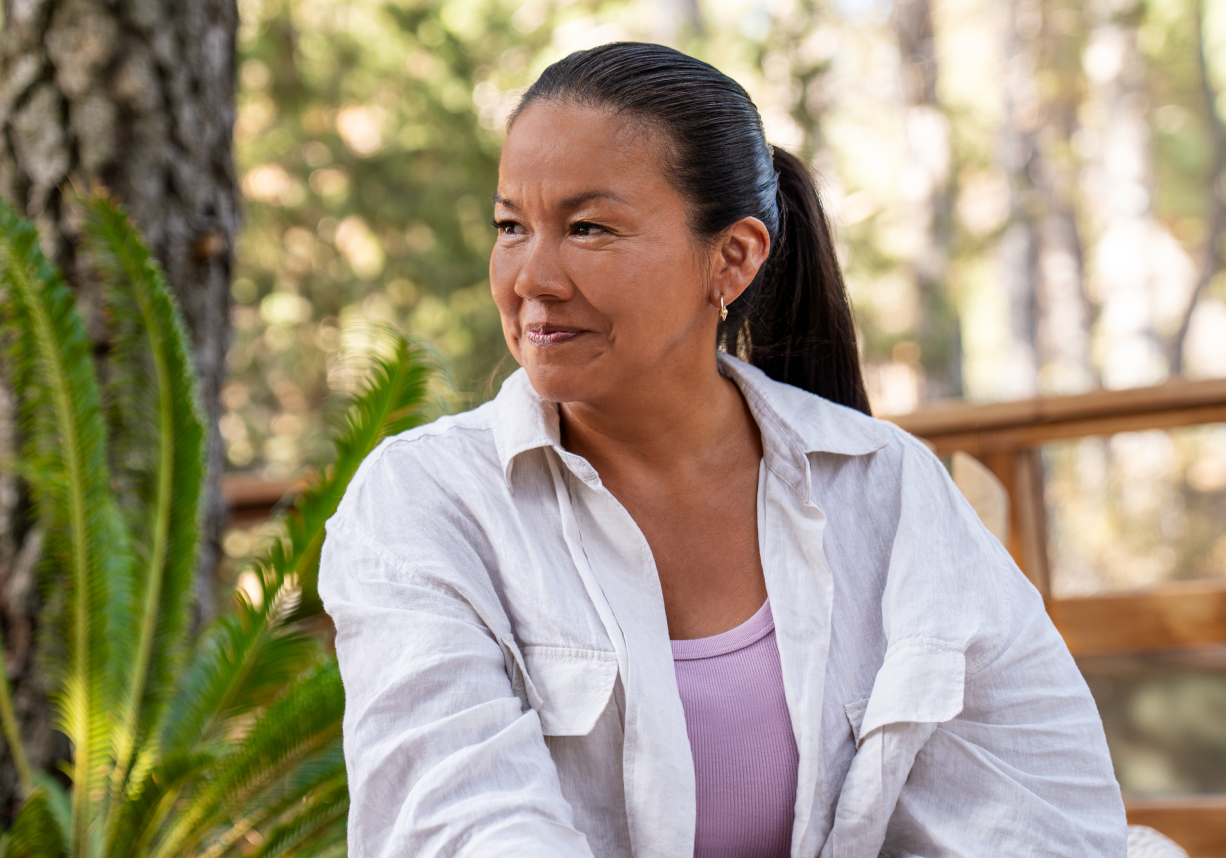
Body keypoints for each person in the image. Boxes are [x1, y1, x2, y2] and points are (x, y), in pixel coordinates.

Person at [319, 42, 1127, 858]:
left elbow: (1043, 815)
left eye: (588, 228)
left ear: (732, 257)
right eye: (510, 227)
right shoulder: (424, 501)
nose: (532, 277)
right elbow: (456, 825)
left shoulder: (888, 490)